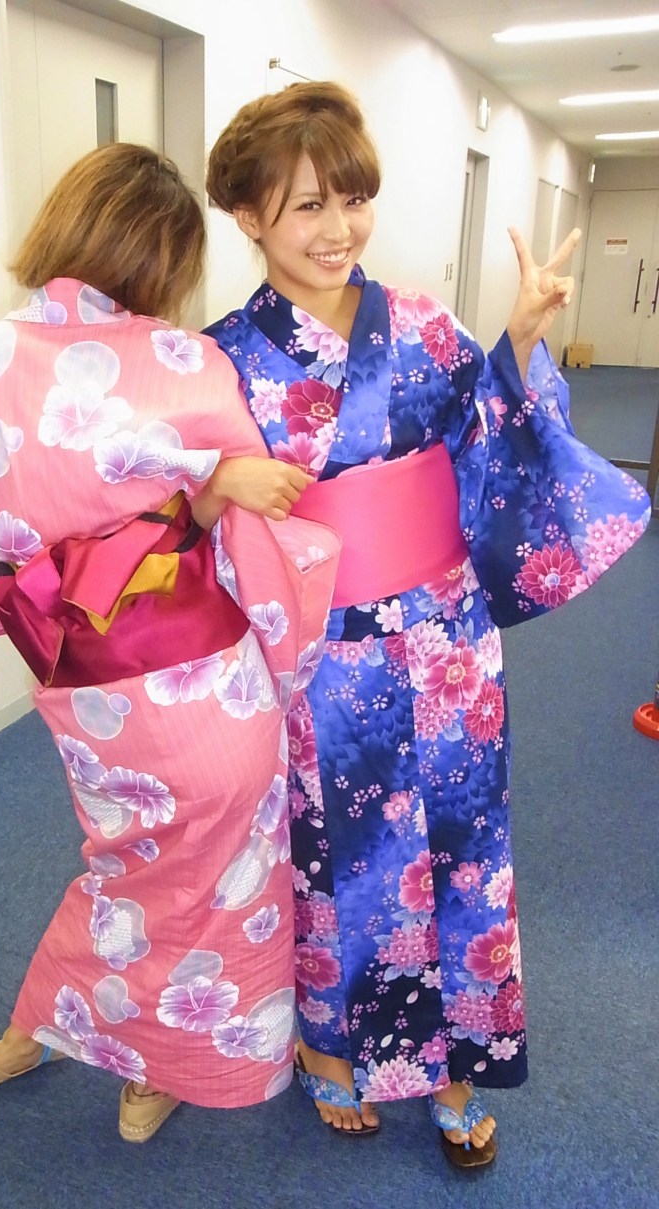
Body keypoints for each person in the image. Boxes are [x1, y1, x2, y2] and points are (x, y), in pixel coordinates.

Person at [204, 82, 651, 1165]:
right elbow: (180, 506)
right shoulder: (221, 358)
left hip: (447, 641)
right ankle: (331, 1047)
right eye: (307, 205)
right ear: (249, 215)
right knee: (335, 853)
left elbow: (488, 433)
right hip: (324, 650)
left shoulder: (420, 324)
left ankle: (454, 1058)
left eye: (353, 199)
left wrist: (520, 339)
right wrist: (218, 484)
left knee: (460, 845)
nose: (337, 229)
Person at [0, 143, 341, 1143]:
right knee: (211, 888)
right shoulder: (187, 363)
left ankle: (39, 1026)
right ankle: (156, 1073)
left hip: (85, 685)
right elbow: (252, 540)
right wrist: (219, 511)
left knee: (124, 872)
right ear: (165, 258)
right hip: (205, 684)